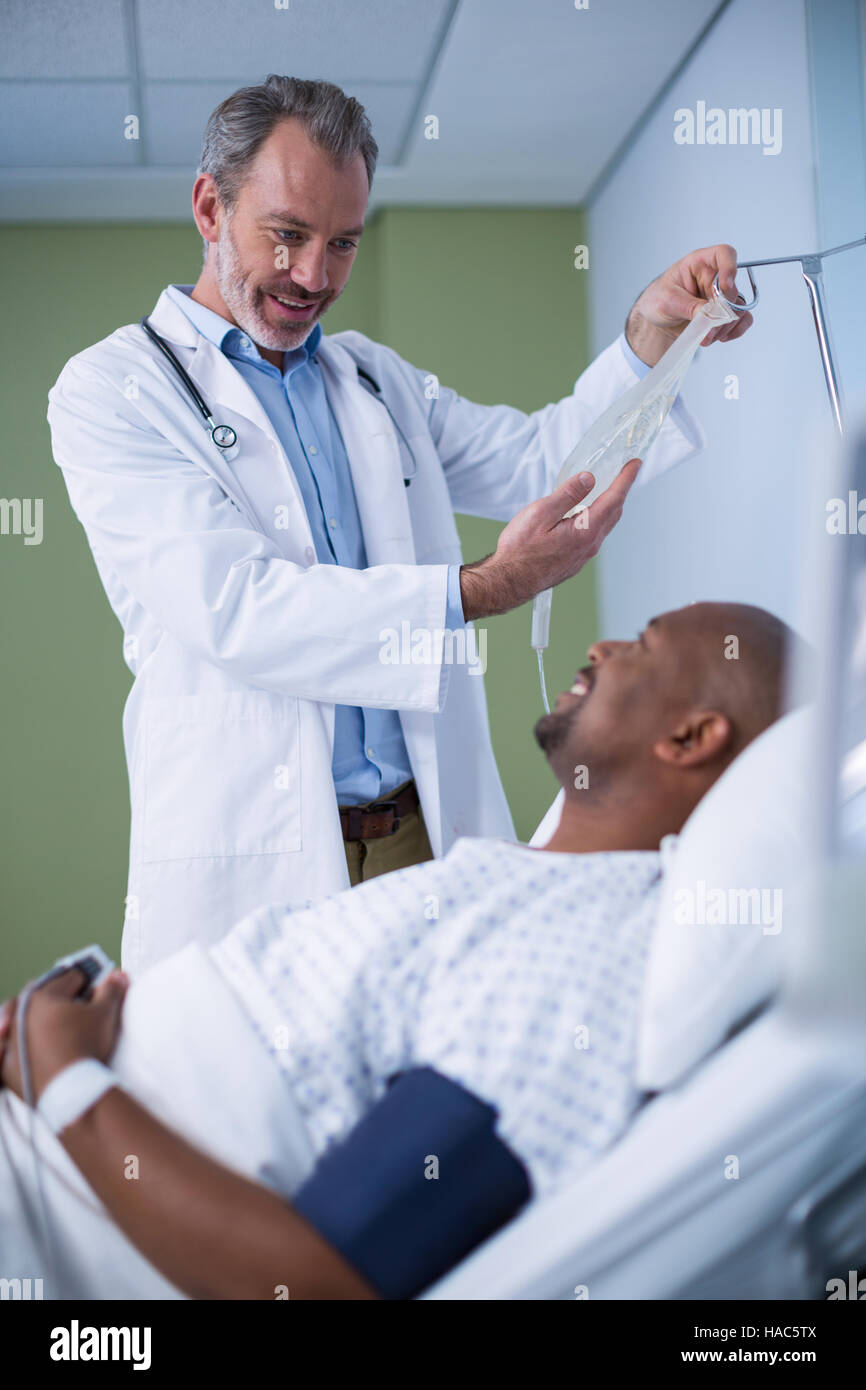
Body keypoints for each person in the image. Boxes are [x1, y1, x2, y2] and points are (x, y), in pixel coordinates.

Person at [47, 73, 752, 974]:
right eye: (288, 235)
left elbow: (543, 462)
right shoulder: (116, 391)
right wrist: (484, 587)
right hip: (260, 852)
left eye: (342, 243)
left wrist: (655, 336)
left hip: (421, 838)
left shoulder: (371, 379)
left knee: (444, 1090)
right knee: (265, 1105)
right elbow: (237, 608)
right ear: (208, 208)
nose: (315, 277)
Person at [1, 601, 790, 1301]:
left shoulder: (587, 958)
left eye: (642, 646)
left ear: (691, 736)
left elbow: (316, 1285)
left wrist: (65, 1076)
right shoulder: (519, 880)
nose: (601, 648)